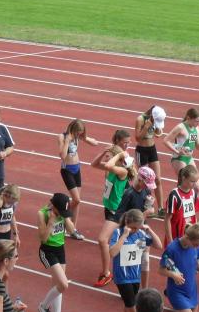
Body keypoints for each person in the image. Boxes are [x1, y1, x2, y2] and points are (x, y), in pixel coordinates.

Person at [91, 144, 135, 288]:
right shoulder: (111, 168)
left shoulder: (122, 171)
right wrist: (102, 153)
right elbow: (93, 164)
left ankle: (106, 273)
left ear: (116, 158)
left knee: (102, 240)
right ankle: (120, 267)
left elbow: (109, 165)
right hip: (109, 209)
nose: (106, 158)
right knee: (115, 240)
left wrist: (119, 154)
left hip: (117, 212)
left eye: (108, 156)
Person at [110, 209, 162, 312]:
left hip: (135, 276)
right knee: (133, 311)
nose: (134, 230)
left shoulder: (140, 234)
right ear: (126, 223)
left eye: (137, 228)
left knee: (127, 309)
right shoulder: (118, 233)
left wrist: (149, 230)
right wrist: (124, 236)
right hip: (123, 278)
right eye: (132, 227)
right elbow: (112, 253)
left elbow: (159, 245)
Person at [37, 193, 76, 312]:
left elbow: (72, 231)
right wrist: (51, 222)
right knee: (63, 284)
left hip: (60, 250)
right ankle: (43, 306)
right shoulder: (42, 214)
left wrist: (65, 218)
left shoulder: (63, 213)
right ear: (53, 207)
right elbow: (43, 238)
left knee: (58, 286)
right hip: (48, 251)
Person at [116, 166, 157, 287]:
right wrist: (145, 213)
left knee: (145, 260)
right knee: (132, 261)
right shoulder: (128, 194)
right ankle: (129, 285)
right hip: (132, 233)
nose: (148, 187)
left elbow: (146, 208)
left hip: (142, 231)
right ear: (139, 180)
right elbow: (120, 216)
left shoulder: (146, 191)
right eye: (146, 184)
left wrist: (149, 206)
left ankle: (144, 289)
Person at [58, 118, 98, 239]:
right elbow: (62, 155)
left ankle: (72, 229)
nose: (78, 134)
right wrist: (67, 141)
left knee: (77, 202)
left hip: (77, 169)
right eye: (77, 132)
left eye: (80, 132)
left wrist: (89, 140)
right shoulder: (62, 137)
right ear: (72, 129)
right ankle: (60, 212)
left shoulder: (78, 137)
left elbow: (92, 142)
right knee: (76, 200)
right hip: (67, 170)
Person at [134, 105, 167, 217]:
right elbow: (137, 138)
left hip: (152, 150)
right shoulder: (140, 119)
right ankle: (145, 206)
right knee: (144, 180)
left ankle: (161, 208)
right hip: (141, 151)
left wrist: (157, 129)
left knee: (157, 179)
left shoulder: (156, 119)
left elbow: (157, 134)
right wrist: (146, 127)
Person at [163, 108, 199, 177]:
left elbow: (198, 146)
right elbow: (166, 141)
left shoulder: (196, 128)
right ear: (188, 118)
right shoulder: (180, 127)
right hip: (179, 158)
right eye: (196, 121)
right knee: (184, 181)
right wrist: (177, 151)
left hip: (189, 158)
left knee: (196, 181)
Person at [164, 164, 199, 245]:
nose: (194, 184)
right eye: (192, 181)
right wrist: (170, 240)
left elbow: (194, 216)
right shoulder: (174, 195)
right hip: (176, 237)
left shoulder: (193, 193)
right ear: (184, 178)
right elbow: (167, 219)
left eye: (196, 181)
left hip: (189, 236)